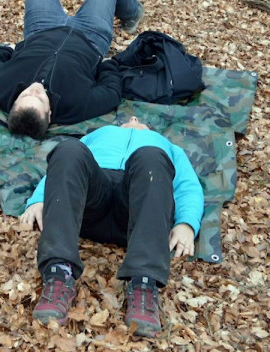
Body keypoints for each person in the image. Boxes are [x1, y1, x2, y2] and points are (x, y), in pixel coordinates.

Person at [20, 116, 204, 337]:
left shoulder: (166, 147)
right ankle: (58, 274)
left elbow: (188, 186)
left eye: (140, 119)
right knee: (69, 148)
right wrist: (40, 199)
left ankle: (144, 284)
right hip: (92, 197)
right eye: (129, 118)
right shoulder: (97, 135)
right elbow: (63, 168)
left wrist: (187, 223)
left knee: (151, 157)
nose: (134, 118)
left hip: (138, 206)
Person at [0, 0, 145, 138]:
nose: (35, 89)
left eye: (25, 94)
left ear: (13, 103)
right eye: (40, 98)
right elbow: (112, 92)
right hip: (91, 36)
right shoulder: (78, 106)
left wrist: (6, 50)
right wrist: (106, 65)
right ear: (49, 114)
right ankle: (133, 12)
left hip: (40, 28)